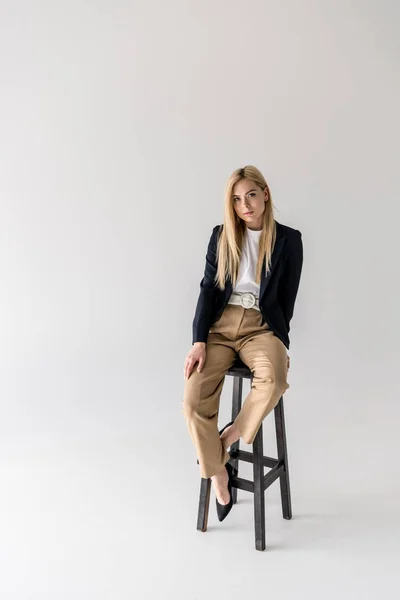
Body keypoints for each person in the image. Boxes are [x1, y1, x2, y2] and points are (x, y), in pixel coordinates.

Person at [182, 165, 303, 522]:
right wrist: (199, 340)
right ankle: (220, 472)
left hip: (261, 328)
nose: (245, 205)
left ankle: (227, 437)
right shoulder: (222, 236)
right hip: (220, 327)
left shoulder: (288, 240)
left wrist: (280, 345)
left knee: (276, 381)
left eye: (250, 194)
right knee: (192, 402)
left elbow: (287, 298)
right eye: (236, 200)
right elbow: (208, 290)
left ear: (265, 193)